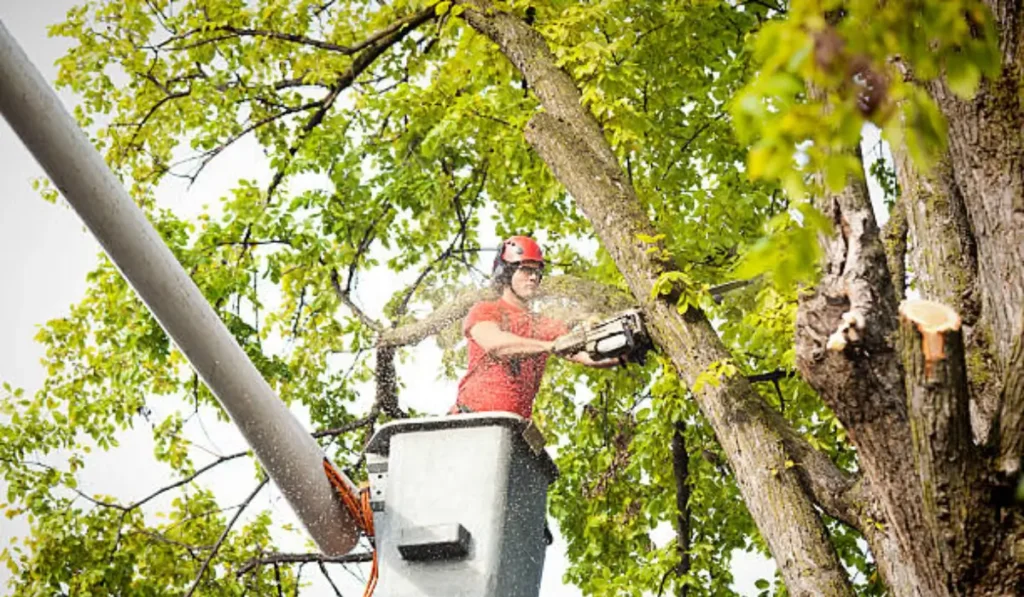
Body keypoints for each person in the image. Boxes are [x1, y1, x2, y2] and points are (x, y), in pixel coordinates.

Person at [450, 235, 621, 419]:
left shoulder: (544, 325)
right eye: (526, 270)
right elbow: (496, 345)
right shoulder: (486, 310)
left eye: (537, 272)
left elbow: (587, 355)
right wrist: (548, 346)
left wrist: (623, 351)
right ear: (506, 273)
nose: (533, 277)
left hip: (513, 427)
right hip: (471, 420)